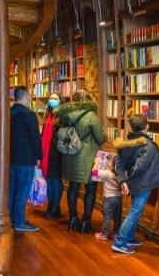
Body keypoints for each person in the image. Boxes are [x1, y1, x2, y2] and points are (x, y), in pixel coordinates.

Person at [111, 114, 159, 254]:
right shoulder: (148, 145)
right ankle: (120, 242)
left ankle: (129, 238)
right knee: (135, 211)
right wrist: (127, 181)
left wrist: (123, 180)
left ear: (131, 127)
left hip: (132, 183)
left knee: (136, 210)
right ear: (147, 126)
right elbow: (140, 167)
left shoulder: (126, 142)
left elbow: (119, 163)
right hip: (142, 183)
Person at [55, 88, 105, 233]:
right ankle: (86, 221)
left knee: (73, 188)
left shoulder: (66, 114)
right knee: (90, 189)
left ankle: (73, 218)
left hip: (70, 154)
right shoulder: (91, 116)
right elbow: (100, 138)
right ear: (88, 99)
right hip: (88, 156)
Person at [9, 85, 42, 232]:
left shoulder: (8, 113)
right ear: (26, 97)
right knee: (22, 191)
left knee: (11, 190)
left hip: (10, 158)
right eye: (29, 96)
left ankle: (10, 219)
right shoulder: (29, 115)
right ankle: (19, 222)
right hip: (26, 158)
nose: (30, 98)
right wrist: (39, 155)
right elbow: (35, 137)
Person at [40, 92, 63, 218]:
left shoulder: (62, 117)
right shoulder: (47, 115)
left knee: (56, 180)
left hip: (57, 153)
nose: (53, 100)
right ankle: (51, 206)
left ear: (60, 101)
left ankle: (55, 207)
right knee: (49, 180)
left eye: (56, 98)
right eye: (51, 98)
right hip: (47, 152)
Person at [92, 153, 122, 240]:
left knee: (107, 217)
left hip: (109, 198)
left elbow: (94, 172)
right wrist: (111, 159)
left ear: (112, 165)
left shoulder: (107, 174)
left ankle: (104, 233)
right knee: (117, 217)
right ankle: (116, 232)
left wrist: (96, 163)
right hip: (118, 198)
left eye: (110, 162)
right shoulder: (121, 174)